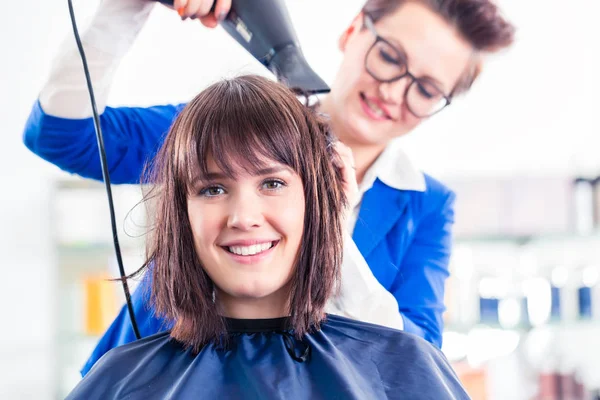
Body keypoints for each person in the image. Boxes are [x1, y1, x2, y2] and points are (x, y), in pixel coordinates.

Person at [22, 0, 515, 373]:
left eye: (426, 89)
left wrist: (336, 238)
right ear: (352, 32)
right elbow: (63, 135)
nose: (393, 92)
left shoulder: (425, 206)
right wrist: (130, 4)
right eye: (389, 56)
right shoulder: (229, 129)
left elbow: (416, 363)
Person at [65, 75, 470, 400]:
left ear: (319, 199)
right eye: (213, 189)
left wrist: (333, 232)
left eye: (273, 183)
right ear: (181, 213)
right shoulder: (119, 380)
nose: (243, 217)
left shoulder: (402, 364)